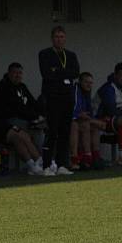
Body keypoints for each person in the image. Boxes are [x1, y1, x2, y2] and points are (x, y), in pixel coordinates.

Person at [0, 62, 48, 176]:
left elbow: (33, 104)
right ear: (9, 73)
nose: (18, 75)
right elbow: (17, 109)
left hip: (23, 122)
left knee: (38, 130)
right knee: (25, 135)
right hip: (7, 124)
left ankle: (36, 165)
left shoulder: (22, 87)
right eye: (15, 73)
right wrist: (34, 118)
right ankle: (41, 162)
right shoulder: (3, 88)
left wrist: (39, 117)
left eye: (20, 73)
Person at [38, 26, 79, 176]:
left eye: (62, 36)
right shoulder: (45, 54)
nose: (59, 39)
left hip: (67, 98)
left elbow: (75, 72)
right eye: (56, 36)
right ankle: (47, 165)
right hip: (52, 97)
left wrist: (58, 72)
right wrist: (63, 75)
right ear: (52, 38)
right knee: (52, 131)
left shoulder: (71, 55)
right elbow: (47, 74)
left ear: (65, 38)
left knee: (65, 131)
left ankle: (62, 164)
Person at [69, 71, 107, 171]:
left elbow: (88, 114)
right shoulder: (75, 91)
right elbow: (73, 113)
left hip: (79, 121)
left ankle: (95, 156)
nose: (89, 85)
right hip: (69, 121)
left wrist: (95, 121)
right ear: (80, 82)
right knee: (84, 125)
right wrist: (92, 120)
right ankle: (82, 158)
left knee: (94, 126)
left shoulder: (86, 94)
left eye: (91, 83)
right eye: (86, 82)